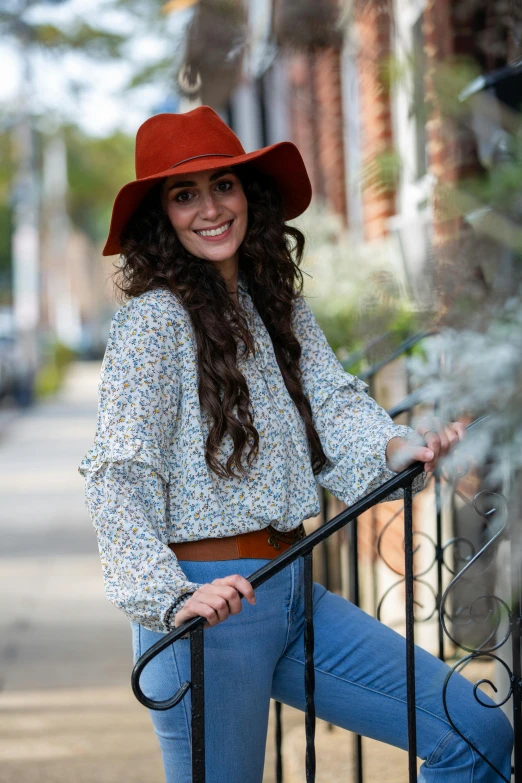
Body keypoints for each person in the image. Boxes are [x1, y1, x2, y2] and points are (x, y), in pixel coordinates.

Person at [79, 106, 513, 783]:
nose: (210, 208)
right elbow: (117, 472)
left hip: (291, 588)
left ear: (247, 193)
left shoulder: (272, 299)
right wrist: (166, 594)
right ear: (160, 217)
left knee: (475, 728)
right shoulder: (152, 322)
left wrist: (399, 448)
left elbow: (334, 401)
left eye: (222, 184)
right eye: (183, 194)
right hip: (208, 608)